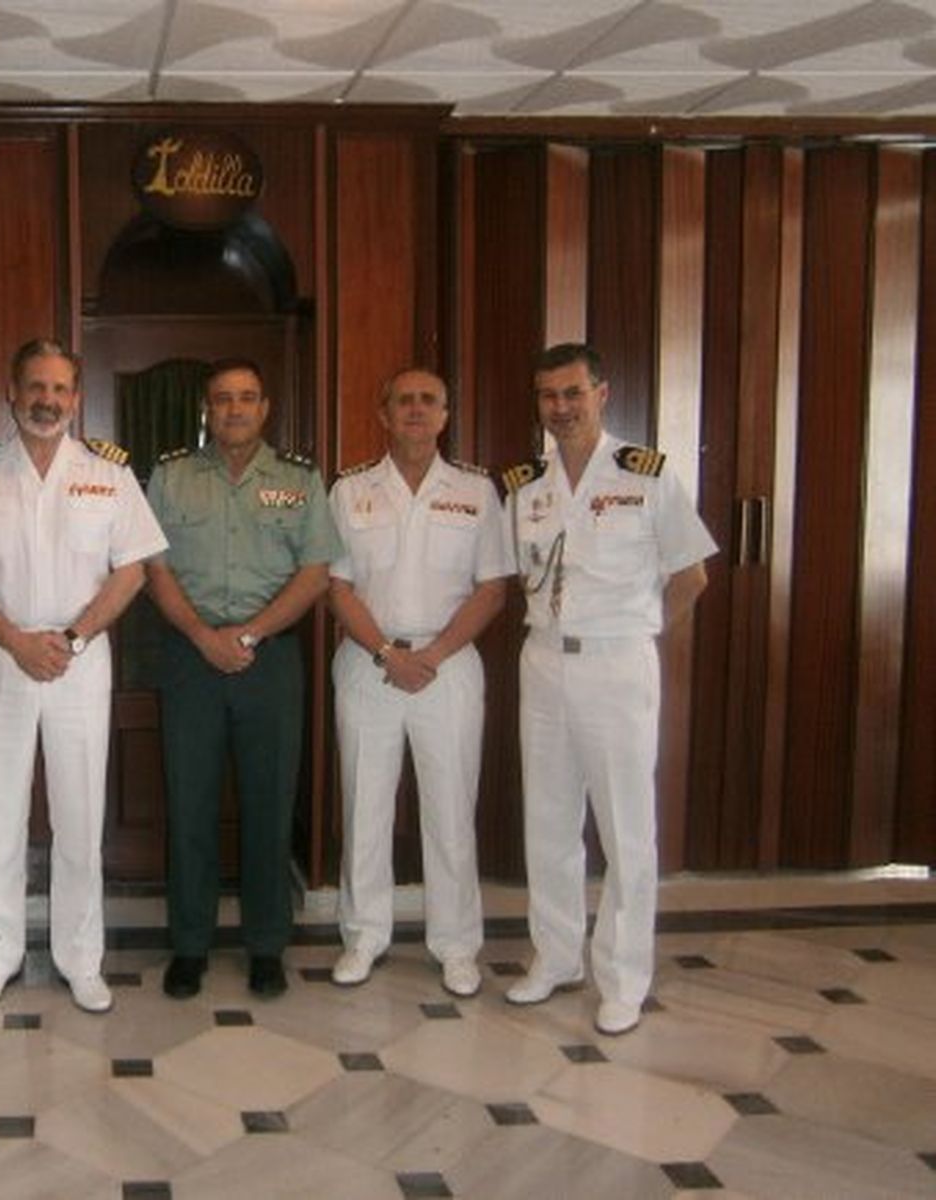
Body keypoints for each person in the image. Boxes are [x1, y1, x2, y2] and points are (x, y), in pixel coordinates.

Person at [0, 338, 168, 1014]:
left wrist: (70, 637)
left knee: (80, 814)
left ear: (76, 398)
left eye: (60, 389)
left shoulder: (109, 476)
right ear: (11, 395)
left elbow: (131, 570)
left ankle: (80, 957)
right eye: (34, 387)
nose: (47, 400)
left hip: (78, 660)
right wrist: (16, 639)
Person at [502, 342, 715, 1036]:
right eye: (547, 396)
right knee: (550, 818)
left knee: (626, 827)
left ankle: (623, 977)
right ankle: (556, 957)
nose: (559, 408)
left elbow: (691, 576)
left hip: (618, 664)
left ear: (602, 393)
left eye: (572, 393)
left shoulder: (646, 475)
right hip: (542, 661)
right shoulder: (526, 485)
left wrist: (638, 632)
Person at [145, 358, 342, 999]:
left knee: (268, 805)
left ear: (265, 409)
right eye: (223, 399)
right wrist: (205, 638)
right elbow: (154, 570)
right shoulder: (171, 477)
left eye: (247, 398)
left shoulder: (299, 481)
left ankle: (265, 945)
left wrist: (248, 635)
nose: (234, 409)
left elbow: (314, 573)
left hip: (271, 663)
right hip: (190, 659)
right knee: (190, 804)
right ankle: (191, 945)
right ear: (208, 409)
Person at [326, 368, 513, 995]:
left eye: (427, 400)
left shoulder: (478, 491)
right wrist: (386, 651)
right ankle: (364, 936)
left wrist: (430, 656)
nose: (414, 410)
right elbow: (337, 585)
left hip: (448, 665)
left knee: (450, 808)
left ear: (445, 413)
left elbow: (493, 587)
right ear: (383, 413)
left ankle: (456, 944)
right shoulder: (350, 490)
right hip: (368, 663)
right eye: (402, 399)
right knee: (365, 804)